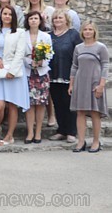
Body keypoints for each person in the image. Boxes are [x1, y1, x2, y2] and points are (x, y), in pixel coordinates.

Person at [0, 6, 29, 146]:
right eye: (4, 14)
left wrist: (12, 71)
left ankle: (9, 135)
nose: (7, 16)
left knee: (13, 105)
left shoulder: (20, 32)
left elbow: (20, 52)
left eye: (10, 14)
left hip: (14, 72)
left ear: (14, 17)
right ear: (0, 16)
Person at [69, 21, 108, 153]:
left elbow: (105, 66)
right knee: (80, 112)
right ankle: (81, 141)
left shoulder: (100, 47)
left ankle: (96, 141)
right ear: (82, 32)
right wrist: (71, 84)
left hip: (95, 82)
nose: (87, 32)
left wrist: (101, 85)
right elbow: (74, 66)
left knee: (94, 112)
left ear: (95, 31)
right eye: (85, 29)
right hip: (81, 82)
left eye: (90, 29)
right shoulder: (78, 48)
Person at [47, 9, 82, 144]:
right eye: (55, 18)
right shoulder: (49, 36)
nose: (57, 20)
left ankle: (71, 132)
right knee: (58, 103)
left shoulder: (73, 35)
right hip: (53, 74)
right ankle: (61, 130)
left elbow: (79, 53)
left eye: (60, 18)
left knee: (69, 104)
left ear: (66, 20)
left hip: (69, 74)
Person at [21, 11, 52, 144]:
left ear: (40, 21)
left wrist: (41, 62)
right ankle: (30, 132)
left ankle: (38, 132)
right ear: (27, 21)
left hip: (41, 73)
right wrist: (29, 62)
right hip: (27, 73)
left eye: (36, 18)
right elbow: (19, 53)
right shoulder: (22, 35)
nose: (33, 21)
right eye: (31, 18)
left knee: (40, 104)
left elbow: (50, 53)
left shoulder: (45, 36)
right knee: (29, 104)